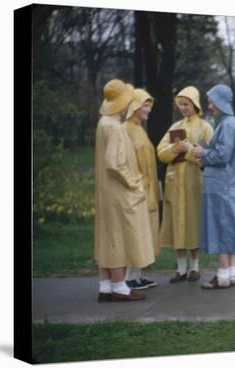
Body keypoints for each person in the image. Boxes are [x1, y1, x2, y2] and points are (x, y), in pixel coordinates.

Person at [94, 79, 155, 302]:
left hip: (106, 190)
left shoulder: (104, 123)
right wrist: (134, 182)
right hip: (118, 191)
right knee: (117, 237)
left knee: (106, 236)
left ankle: (106, 286)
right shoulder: (116, 128)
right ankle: (120, 287)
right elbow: (114, 163)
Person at [190, 84, 235, 290]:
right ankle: (230, 274)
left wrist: (201, 153)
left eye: (212, 101)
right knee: (230, 229)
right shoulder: (228, 123)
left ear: (221, 102)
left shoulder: (227, 124)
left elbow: (222, 155)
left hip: (223, 186)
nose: (209, 106)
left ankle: (222, 276)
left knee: (222, 229)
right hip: (228, 185)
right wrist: (206, 153)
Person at [157, 86, 213, 283]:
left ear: (195, 104)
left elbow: (209, 156)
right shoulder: (175, 127)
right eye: (180, 104)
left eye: (186, 104)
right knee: (176, 224)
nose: (183, 107)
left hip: (193, 182)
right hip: (175, 182)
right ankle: (180, 268)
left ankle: (195, 267)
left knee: (193, 222)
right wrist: (174, 148)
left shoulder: (205, 127)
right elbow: (161, 152)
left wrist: (189, 152)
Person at [122, 88, 160, 290]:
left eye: (149, 105)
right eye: (145, 105)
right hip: (135, 191)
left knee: (145, 232)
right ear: (135, 106)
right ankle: (129, 275)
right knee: (134, 231)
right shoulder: (125, 129)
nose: (148, 110)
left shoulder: (140, 129)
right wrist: (135, 184)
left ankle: (138, 275)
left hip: (148, 190)